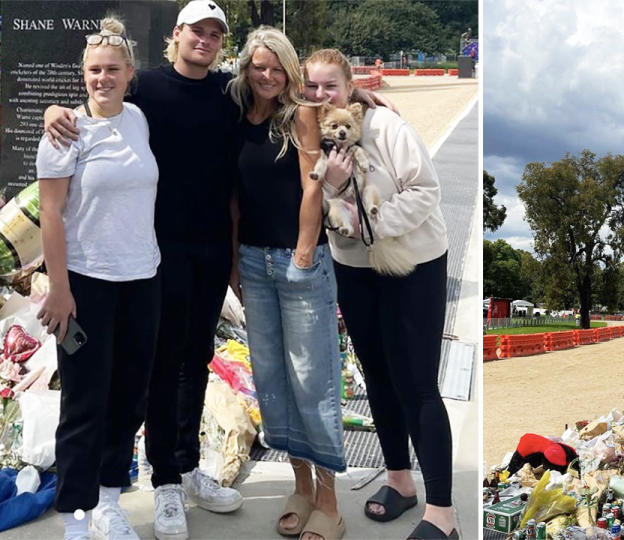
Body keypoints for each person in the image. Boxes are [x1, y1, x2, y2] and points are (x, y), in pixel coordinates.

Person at [42, 4, 393, 538]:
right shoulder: (146, 91)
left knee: (196, 359)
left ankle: (186, 469)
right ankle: (163, 482)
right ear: (177, 35)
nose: (205, 40)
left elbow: (289, 96)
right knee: (159, 369)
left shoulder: (231, 93)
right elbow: (96, 100)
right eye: (196, 31)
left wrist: (356, 96)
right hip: (155, 255)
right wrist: (53, 112)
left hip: (211, 251)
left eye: (214, 34)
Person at [303, 48, 459, 540]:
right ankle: (399, 481)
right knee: (378, 377)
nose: (322, 95)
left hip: (412, 261)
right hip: (355, 268)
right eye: (314, 87)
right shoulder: (311, 132)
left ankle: (443, 513)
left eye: (331, 85)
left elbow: (425, 190)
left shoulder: (387, 128)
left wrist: (368, 227)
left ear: (350, 86)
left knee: (417, 382)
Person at [36, 17, 161, 540]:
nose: (102, 78)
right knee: (85, 401)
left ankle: (111, 499)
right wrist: (60, 289)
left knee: (129, 396)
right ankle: (77, 515)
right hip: (87, 282)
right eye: (94, 71)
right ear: (82, 74)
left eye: (112, 69)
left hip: (143, 276)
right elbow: (50, 212)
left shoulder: (137, 118)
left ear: (130, 73)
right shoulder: (66, 131)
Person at [228, 28, 347, 540]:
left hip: (299, 260)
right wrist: (234, 258)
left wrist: (303, 248)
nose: (268, 75)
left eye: (277, 67)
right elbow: (232, 194)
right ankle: (299, 483)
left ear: (290, 69)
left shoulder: (299, 114)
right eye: (259, 66)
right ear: (246, 68)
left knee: (313, 378)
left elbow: (311, 182)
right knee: (272, 378)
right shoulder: (235, 113)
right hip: (252, 261)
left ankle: (329, 499)